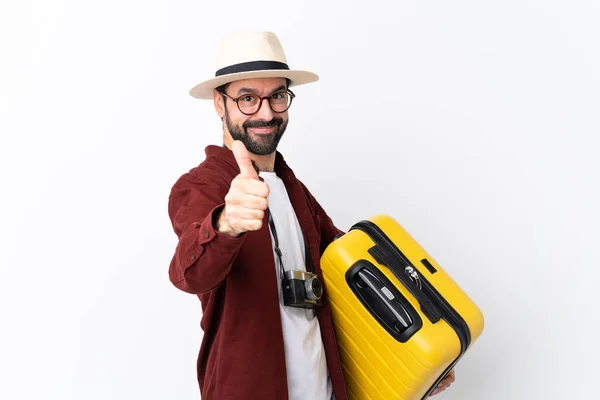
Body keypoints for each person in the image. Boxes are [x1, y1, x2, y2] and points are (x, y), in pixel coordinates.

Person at [167, 31, 455, 399]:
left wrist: (418, 360)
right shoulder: (201, 187)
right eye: (247, 99)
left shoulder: (295, 191)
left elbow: (352, 282)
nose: (266, 112)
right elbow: (188, 274)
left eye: (277, 96)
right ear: (219, 104)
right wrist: (227, 224)